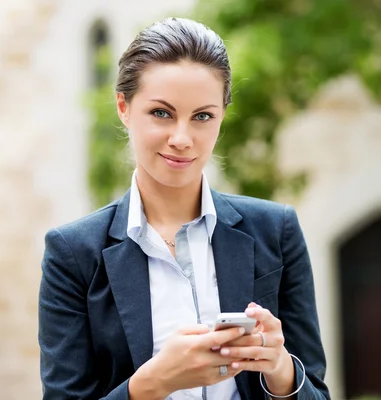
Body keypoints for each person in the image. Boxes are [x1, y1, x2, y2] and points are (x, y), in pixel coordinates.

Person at [38, 17, 330, 400]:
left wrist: (280, 368)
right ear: (124, 107)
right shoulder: (73, 254)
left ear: (221, 117)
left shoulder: (277, 231)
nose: (181, 138)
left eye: (202, 116)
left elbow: (318, 394)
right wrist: (153, 383)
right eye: (161, 113)